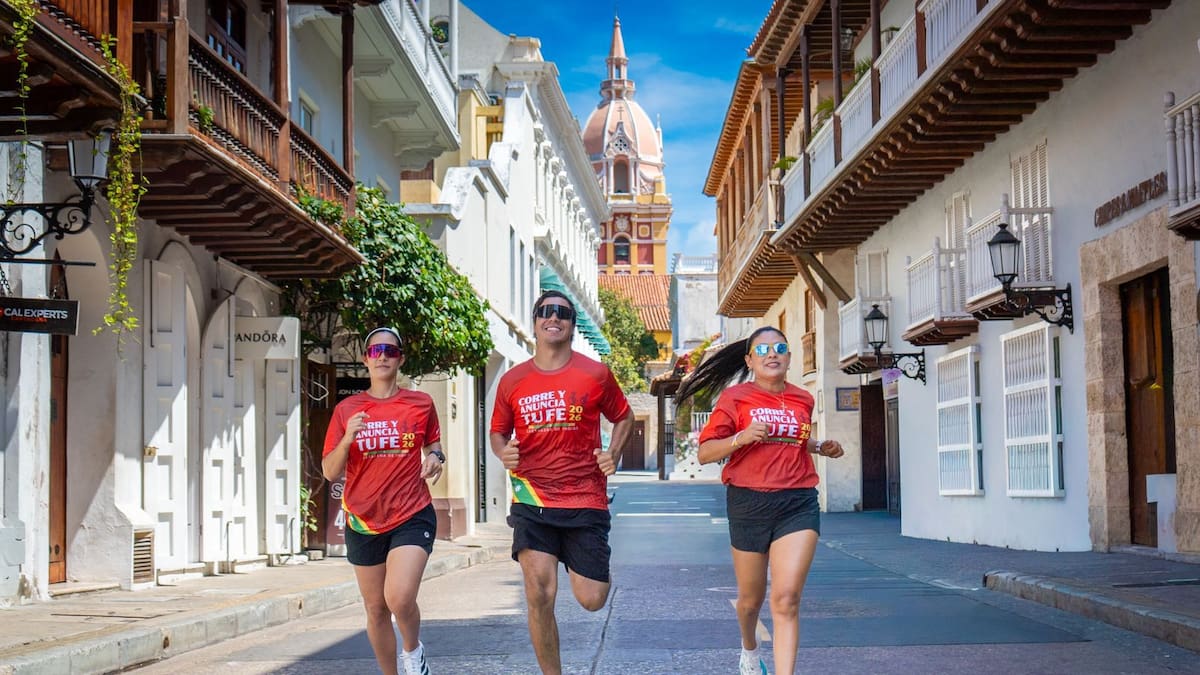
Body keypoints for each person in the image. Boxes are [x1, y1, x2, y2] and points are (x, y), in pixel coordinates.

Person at [675, 326, 845, 675]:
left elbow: (793, 439)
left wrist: (819, 446)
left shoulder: (802, 398)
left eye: (780, 347)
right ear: (750, 360)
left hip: (797, 502)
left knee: (786, 599)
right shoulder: (735, 398)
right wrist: (740, 438)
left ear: (789, 357)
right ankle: (749, 650)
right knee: (750, 602)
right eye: (764, 349)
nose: (773, 354)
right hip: (748, 503)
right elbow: (706, 452)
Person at [489, 290, 634, 675]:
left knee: (592, 598)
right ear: (535, 320)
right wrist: (504, 453)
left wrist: (614, 453)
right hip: (532, 498)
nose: (554, 318)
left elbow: (624, 416)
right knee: (539, 593)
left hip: (585, 499)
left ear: (572, 324)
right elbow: (497, 433)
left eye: (563, 313)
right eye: (545, 312)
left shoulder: (595, 373)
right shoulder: (512, 381)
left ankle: (583, 562)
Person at [323, 327, 447, 675]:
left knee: (399, 597)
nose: (381, 356)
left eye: (389, 351)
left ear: (400, 358)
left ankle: (413, 651)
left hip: (412, 513)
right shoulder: (347, 409)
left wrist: (437, 458)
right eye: (375, 350)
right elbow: (330, 471)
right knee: (376, 608)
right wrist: (347, 440)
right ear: (365, 359)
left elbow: (433, 446)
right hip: (363, 520)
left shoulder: (421, 403)